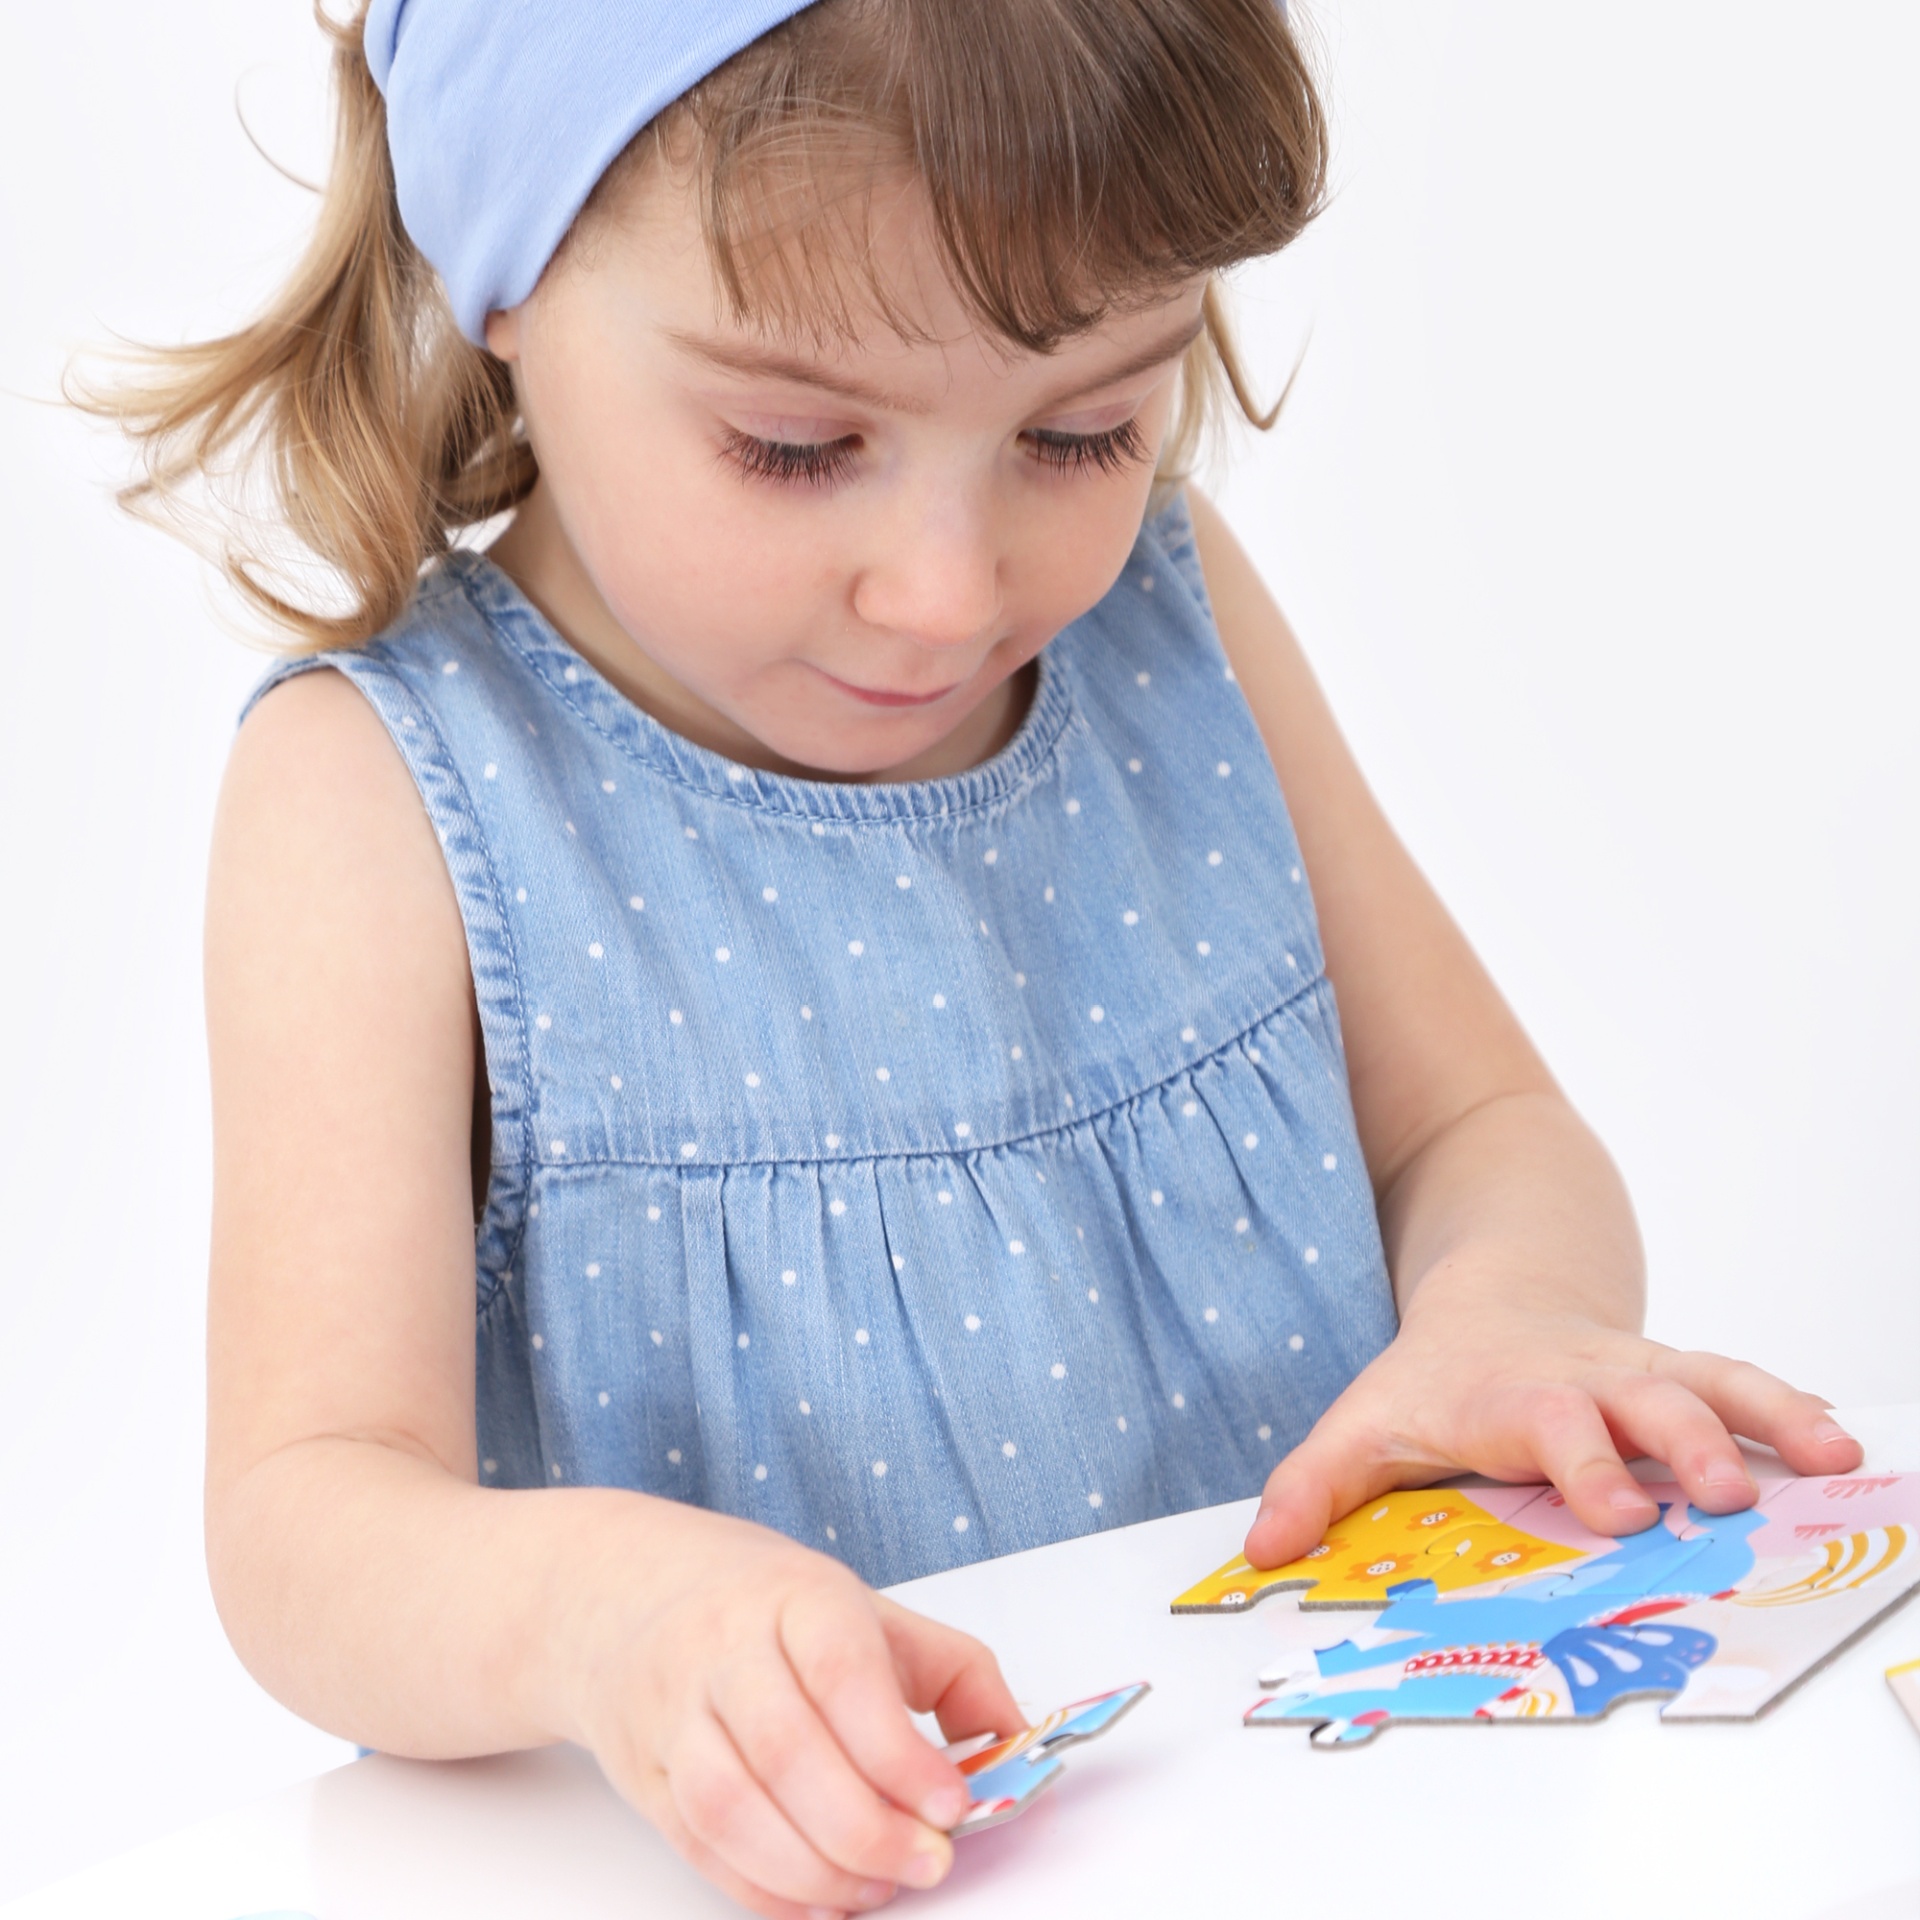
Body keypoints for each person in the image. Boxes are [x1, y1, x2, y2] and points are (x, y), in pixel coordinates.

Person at [85, 2, 1862, 1914]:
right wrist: (603, 1624)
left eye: (1086, 425)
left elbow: (1479, 1123)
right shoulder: (384, 797)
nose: (951, 589)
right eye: (793, 445)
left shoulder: (1171, 621)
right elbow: (308, 1513)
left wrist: (1507, 1314)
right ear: (499, 272)